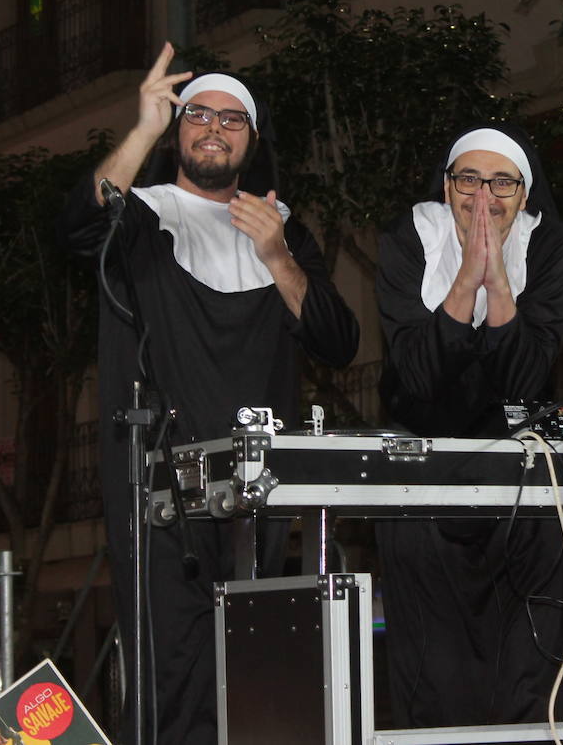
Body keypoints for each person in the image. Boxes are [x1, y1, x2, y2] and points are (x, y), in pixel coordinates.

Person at [58, 43, 360, 744]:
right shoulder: (143, 217)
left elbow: (338, 342)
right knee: (173, 671)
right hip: (158, 488)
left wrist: (278, 258)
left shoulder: (277, 226)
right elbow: (77, 228)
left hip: (258, 496)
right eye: (198, 114)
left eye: (233, 119)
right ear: (178, 131)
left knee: (258, 670)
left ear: (251, 142)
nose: (214, 128)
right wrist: (140, 128)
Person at [374, 123, 563, 727]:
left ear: (525, 193)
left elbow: (525, 380)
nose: (483, 196)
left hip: (523, 485)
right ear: (447, 185)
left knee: (526, 668)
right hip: (422, 489)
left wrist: (501, 288)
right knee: (434, 674)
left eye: (502, 183)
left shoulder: (551, 248)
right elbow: (416, 376)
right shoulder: (407, 239)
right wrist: (467, 280)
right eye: (468, 178)